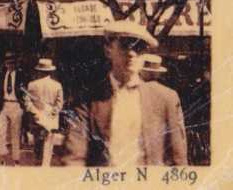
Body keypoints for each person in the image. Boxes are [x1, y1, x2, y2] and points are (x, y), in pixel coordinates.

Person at [64, 20, 187, 167]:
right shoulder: (87, 99)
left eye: (139, 47)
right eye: (125, 45)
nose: (132, 53)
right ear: (108, 50)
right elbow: (74, 158)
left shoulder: (165, 98)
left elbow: (178, 160)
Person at [140, 54, 188, 166]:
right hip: (160, 164)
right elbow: (177, 133)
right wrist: (182, 164)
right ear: (158, 73)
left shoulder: (128, 93)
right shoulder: (170, 95)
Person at [23, 58, 64, 167]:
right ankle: (46, 165)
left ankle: (38, 163)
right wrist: (53, 113)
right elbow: (59, 104)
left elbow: (27, 102)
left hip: (38, 115)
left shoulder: (32, 85)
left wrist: (35, 112)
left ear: (39, 71)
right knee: (48, 142)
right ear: (50, 71)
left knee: (38, 142)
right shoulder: (57, 85)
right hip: (51, 116)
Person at [0, 51, 26, 165]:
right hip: (4, 105)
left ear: (16, 63)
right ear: (5, 63)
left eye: (12, 63)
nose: (10, 65)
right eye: (8, 63)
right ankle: (3, 155)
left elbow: (25, 90)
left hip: (16, 104)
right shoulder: (2, 75)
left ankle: (16, 159)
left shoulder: (21, 75)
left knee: (15, 134)